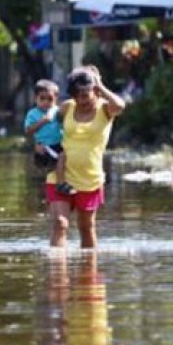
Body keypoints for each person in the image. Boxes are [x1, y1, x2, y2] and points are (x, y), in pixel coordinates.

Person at [47, 66, 126, 248]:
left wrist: (100, 85)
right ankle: (58, 273)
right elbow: (49, 127)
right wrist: (41, 146)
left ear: (95, 91)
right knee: (60, 224)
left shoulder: (105, 110)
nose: (82, 100)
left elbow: (120, 105)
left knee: (86, 227)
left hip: (90, 179)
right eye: (77, 95)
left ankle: (88, 274)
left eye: (86, 94)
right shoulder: (67, 107)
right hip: (60, 175)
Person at [24, 79, 74, 194]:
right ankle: (60, 184)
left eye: (50, 99)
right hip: (45, 146)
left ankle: (63, 180)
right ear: (36, 98)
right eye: (42, 98)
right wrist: (43, 121)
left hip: (58, 143)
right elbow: (28, 130)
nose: (46, 102)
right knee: (61, 157)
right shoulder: (32, 113)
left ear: (56, 99)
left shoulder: (57, 111)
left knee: (66, 158)